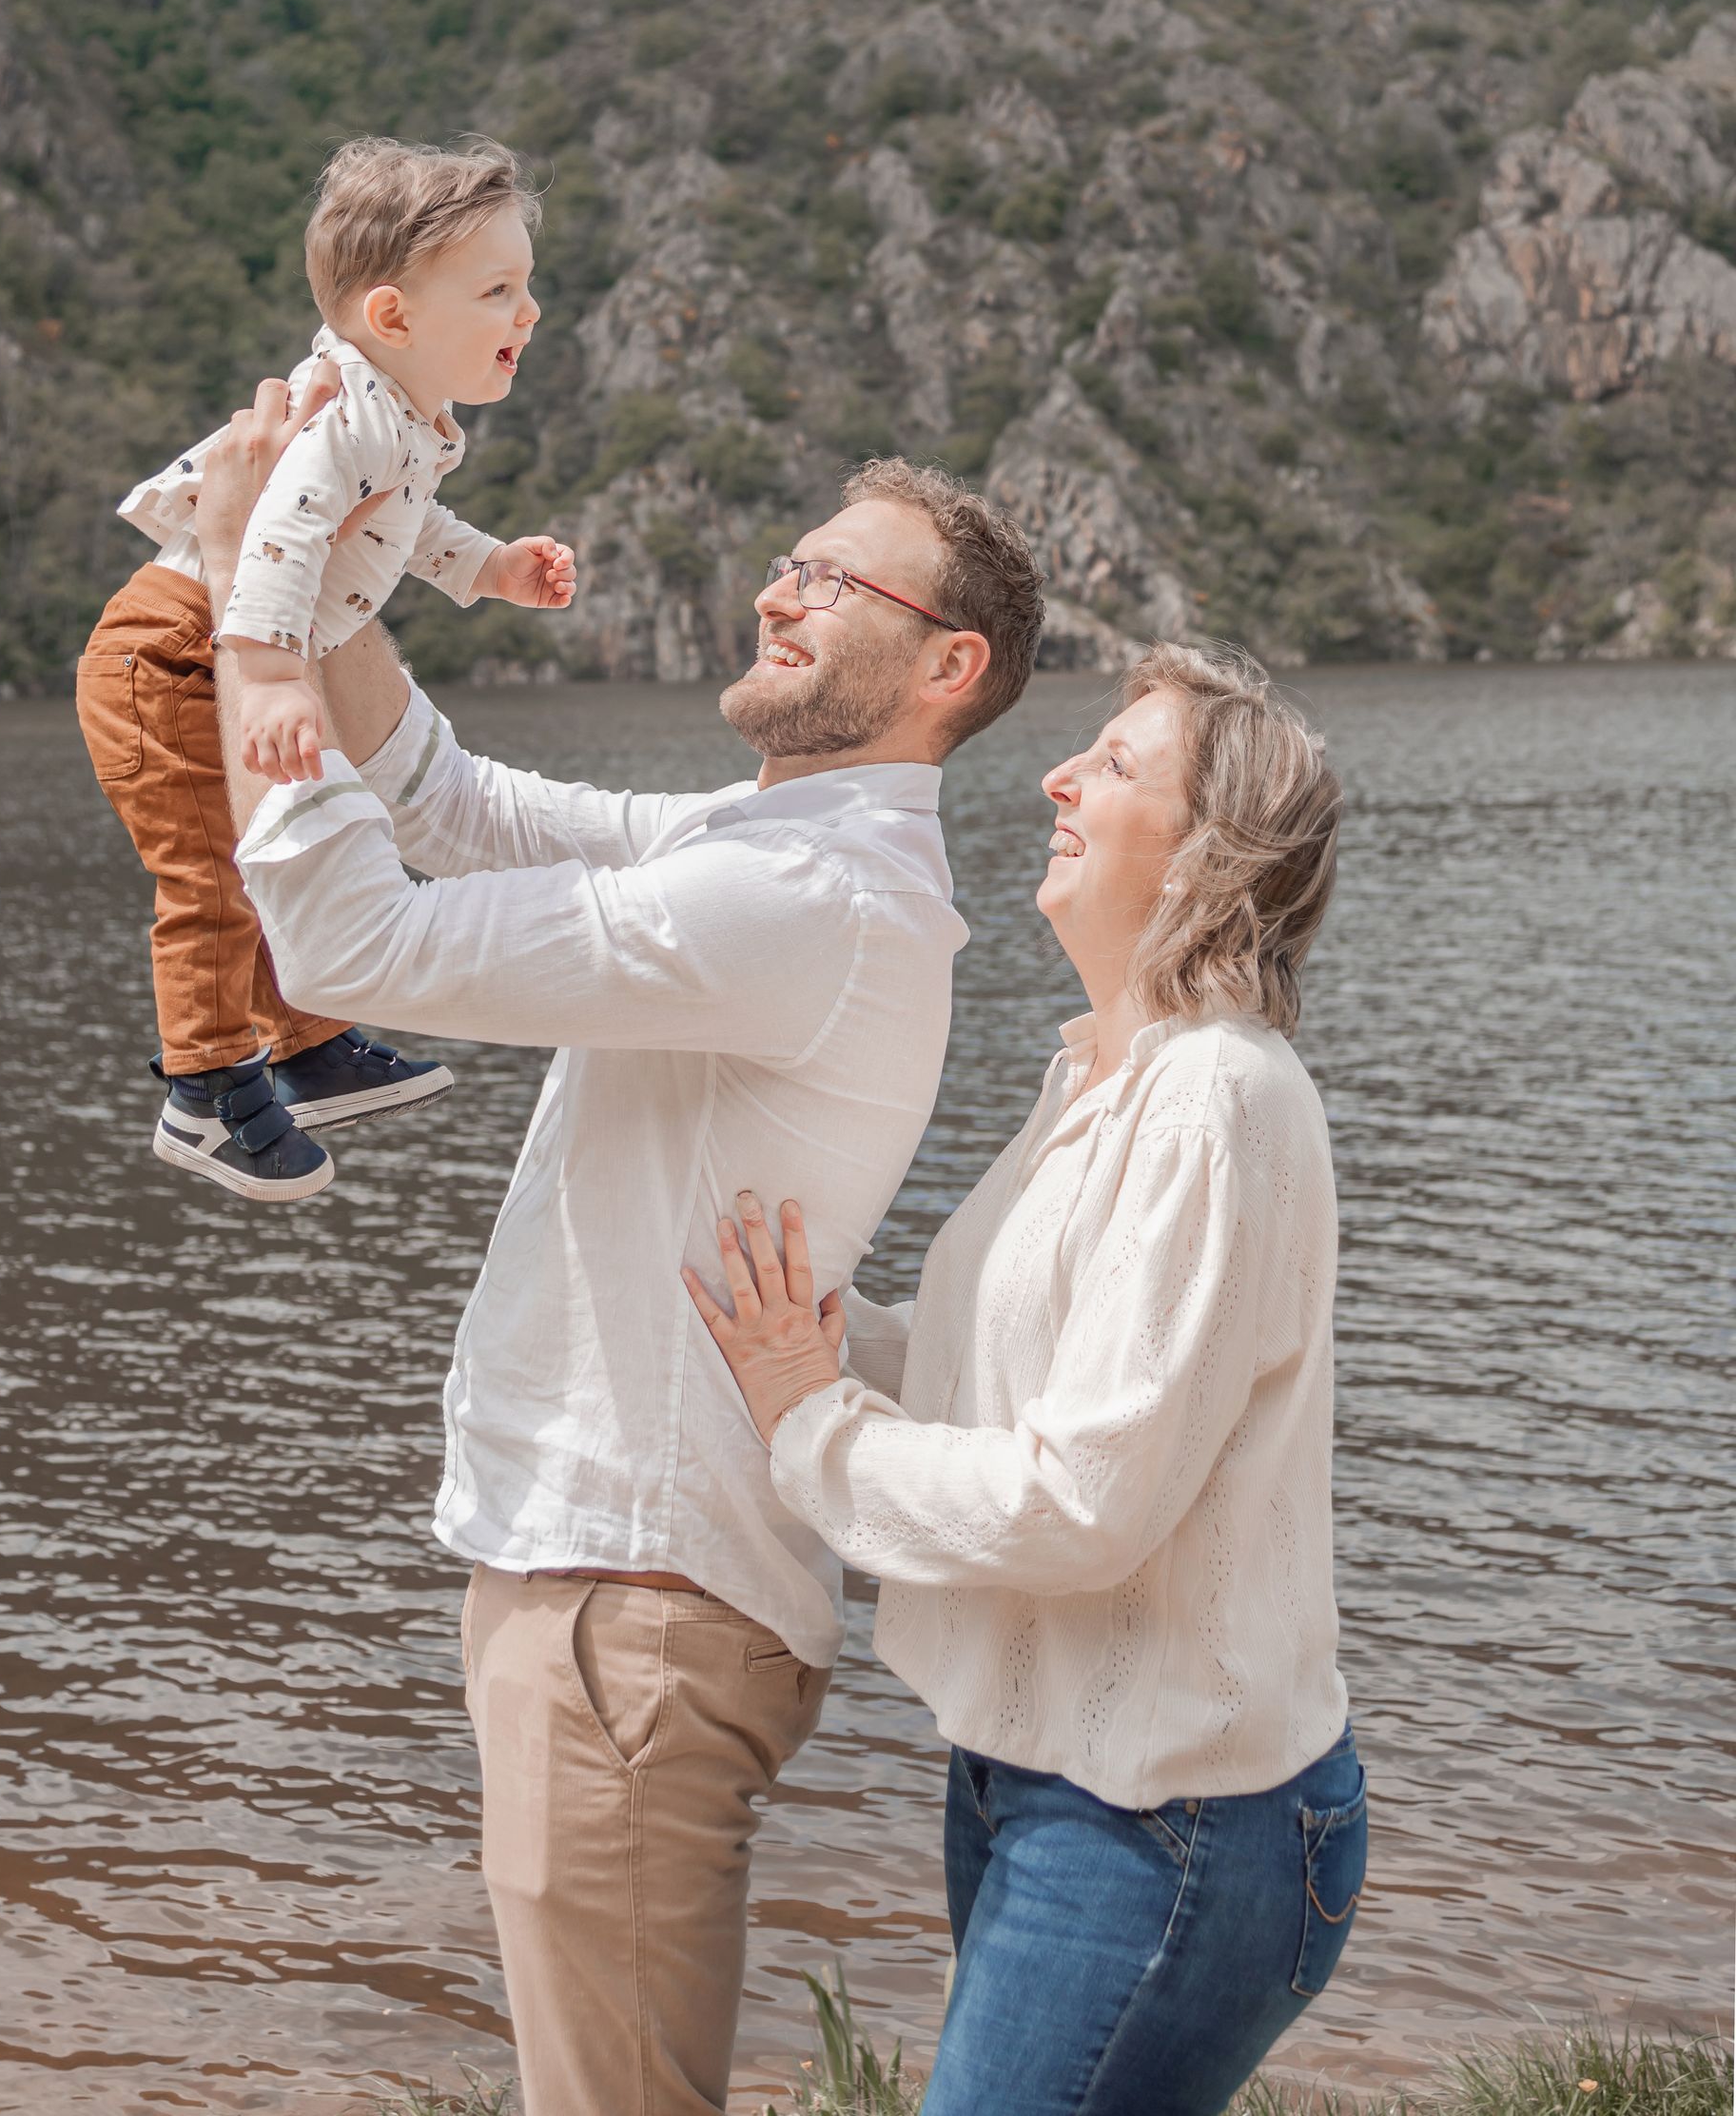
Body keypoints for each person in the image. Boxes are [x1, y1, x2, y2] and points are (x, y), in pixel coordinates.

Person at [191, 371, 1046, 2116]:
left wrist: (244, 609)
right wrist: (328, 562)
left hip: (635, 1614)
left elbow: (349, 945)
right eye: (791, 561)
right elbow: (447, 803)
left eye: (835, 581)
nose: (780, 592)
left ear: (947, 665)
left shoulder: (802, 897)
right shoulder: (770, 845)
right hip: (613, 1600)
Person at [687, 643, 1364, 2116]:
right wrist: (806, 1338)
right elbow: (997, 1381)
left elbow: (1081, 1502)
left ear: (1212, 853)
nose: (1056, 777)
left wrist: (810, 1415)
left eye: (1115, 765)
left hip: (1166, 1816)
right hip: (1029, 1774)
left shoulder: (1215, 1101)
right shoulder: (1100, 1075)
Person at [75, 136, 575, 1203]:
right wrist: (266, 677)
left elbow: (408, 525)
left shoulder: (399, 424)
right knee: (213, 875)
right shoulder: (344, 417)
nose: (529, 313)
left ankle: (309, 1047)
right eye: (498, 291)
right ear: (393, 318)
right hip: (172, 652)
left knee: (273, 848)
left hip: (217, 642)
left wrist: (491, 568)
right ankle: (207, 1088)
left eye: (527, 287)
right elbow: (279, 538)